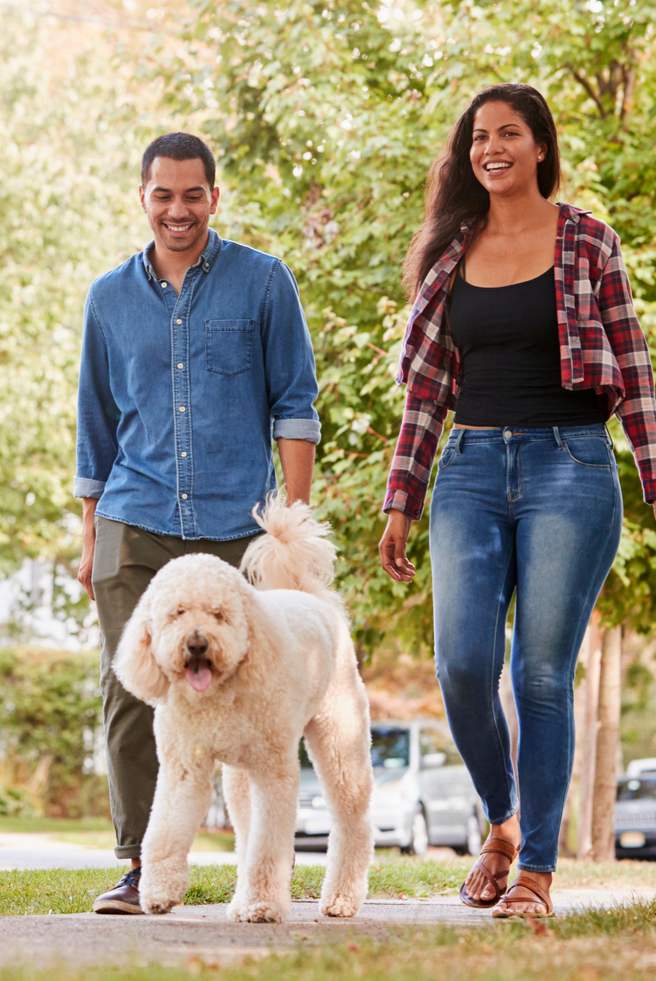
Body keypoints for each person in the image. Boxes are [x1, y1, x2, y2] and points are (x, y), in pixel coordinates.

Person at [379, 83, 656, 918]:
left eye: (508, 133)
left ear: (540, 146)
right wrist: (401, 497)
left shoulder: (588, 240)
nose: (491, 148)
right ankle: (503, 821)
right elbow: (425, 392)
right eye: (479, 136)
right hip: (469, 468)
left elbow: (633, 369)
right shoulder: (451, 251)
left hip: (569, 467)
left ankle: (536, 874)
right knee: (461, 666)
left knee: (540, 673)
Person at [75, 132, 320, 914]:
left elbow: (295, 405)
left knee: (258, 688)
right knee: (131, 692)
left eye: (191, 195)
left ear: (214, 197)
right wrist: (89, 536)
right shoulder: (108, 298)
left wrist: (291, 524)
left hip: (236, 526)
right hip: (133, 517)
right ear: (142, 197)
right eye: (162, 195)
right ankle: (140, 865)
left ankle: (260, 865)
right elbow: (95, 426)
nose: (176, 210)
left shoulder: (263, 281)